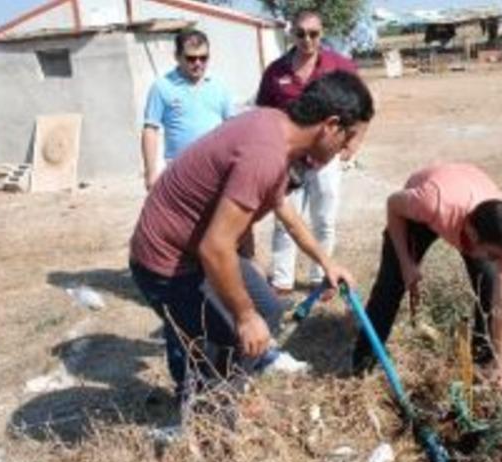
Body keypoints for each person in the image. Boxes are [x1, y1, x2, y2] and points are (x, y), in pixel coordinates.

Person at [130, 71, 374, 403]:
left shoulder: (275, 127)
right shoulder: (266, 153)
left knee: (268, 309)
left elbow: (283, 211)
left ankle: (231, 380)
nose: (346, 150)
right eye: (348, 138)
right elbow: (215, 248)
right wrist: (244, 317)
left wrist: (326, 262)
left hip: (199, 248)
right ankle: (207, 410)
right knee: (231, 335)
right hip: (167, 261)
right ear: (330, 124)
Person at [351, 163, 502, 393]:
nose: (497, 261)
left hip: (470, 192)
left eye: (500, 256)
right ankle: (363, 365)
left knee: (489, 286)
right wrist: (406, 263)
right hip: (420, 210)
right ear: (472, 236)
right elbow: (393, 204)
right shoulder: (433, 203)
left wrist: (501, 364)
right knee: (390, 285)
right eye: (492, 255)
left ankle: (484, 369)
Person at [256, 10, 363, 297]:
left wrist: (352, 144)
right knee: (284, 219)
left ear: (322, 32)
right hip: (288, 158)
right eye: (301, 33)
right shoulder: (276, 72)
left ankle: (321, 277)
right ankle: (281, 281)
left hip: (326, 158)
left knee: (324, 220)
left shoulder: (339, 66)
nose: (307, 40)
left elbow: (363, 105)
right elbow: (263, 114)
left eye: (313, 33)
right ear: (291, 33)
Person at [141, 29, 234, 191]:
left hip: (218, 171)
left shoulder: (220, 87)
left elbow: (233, 128)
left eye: (203, 58)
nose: (198, 63)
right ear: (177, 57)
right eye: (191, 58)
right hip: (180, 174)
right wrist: (151, 173)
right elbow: (150, 130)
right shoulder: (162, 87)